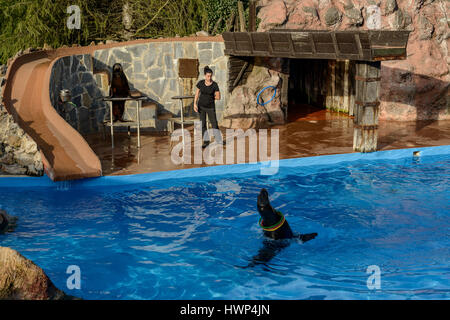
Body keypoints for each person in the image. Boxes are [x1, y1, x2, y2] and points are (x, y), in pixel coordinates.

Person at [194, 66, 225, 148]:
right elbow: (197, 94)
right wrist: (194, 104)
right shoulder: (200, 83)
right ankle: (206, 142)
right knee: (203, 124)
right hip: (201, 107)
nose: (209, 77)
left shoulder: (215, 85)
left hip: (210, 107)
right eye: (208, 76)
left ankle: (218, 140)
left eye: (211, 76)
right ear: (205, 76)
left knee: (214, 123)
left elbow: (218, 97)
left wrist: (211, 97)